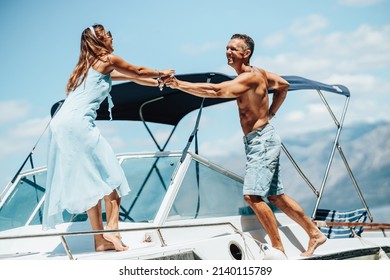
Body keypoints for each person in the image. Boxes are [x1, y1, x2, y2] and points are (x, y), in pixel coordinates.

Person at [163, 34, 326, 257]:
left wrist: (178, 84)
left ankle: (278, 249)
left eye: (233, 49)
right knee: (276, 196)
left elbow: (216, 91)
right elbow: (284, 85)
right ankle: (314, 234)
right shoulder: (260, 74)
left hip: (261, 141)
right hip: (259, 140)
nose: (228, 52)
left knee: (252, 197)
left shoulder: (249, 77)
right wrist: (271, 113)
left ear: (245, 53)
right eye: (227, 48)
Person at [43, 24, 175, 252]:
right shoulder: (107, 59)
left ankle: (99, 240)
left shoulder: (85, 68)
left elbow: (133, 77)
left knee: (89, 182)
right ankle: (112, 231)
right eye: (110, 37)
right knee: (112, 176)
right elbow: (140, 70)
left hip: (61, 125)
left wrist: (158, 83)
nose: (113, 41)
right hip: (78, 124)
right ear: (102, 40)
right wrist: (160, 72)